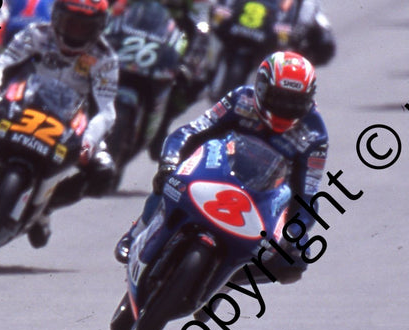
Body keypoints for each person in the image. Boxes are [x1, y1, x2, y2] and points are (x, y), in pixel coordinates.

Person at [115, 51, 327, 289]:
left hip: (265, 195)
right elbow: (191, 131)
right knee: (168, 178)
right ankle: (139, 231)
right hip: (218, 167)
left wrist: (292, 233)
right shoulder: (240, 99)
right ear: (261, 87)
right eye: (279, 98)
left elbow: (307, 193)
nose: (285, 109)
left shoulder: (315, 135)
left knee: (296, 258)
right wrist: (169, 162)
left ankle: (226, 281)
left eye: (294, 103)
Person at [0, 0, 118, 248]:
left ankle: (46, 207)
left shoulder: (104, 58)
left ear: (98, 28)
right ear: (57, 17)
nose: (76, 33)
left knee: (103, 173)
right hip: (23, 102)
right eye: (71, 23)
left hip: (72, 121)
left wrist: (89, 141)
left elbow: (106, 111)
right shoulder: (36, 34)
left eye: (85, 27)